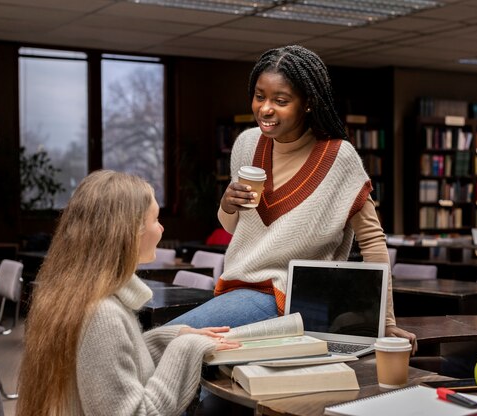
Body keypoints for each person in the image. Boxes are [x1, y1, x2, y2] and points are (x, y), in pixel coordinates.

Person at [169, 45, 416, 352]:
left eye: (280, 100)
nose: (265, 108)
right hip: (237, 289)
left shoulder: (339, 157)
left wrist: (386, 322)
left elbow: (372, 241)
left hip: (291, 299)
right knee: (186, 354)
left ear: (308, 103)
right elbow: (235, 228)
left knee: (169, 341)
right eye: (260, 96)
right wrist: (226, 205)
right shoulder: (246, 144)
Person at [16, 170, 239, 416]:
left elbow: (108, 363)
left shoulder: (77, 293)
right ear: (129, 232)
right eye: (155, 219)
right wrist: (185, 348)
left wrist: (172, 337)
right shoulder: (103, 316)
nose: (162, 228)